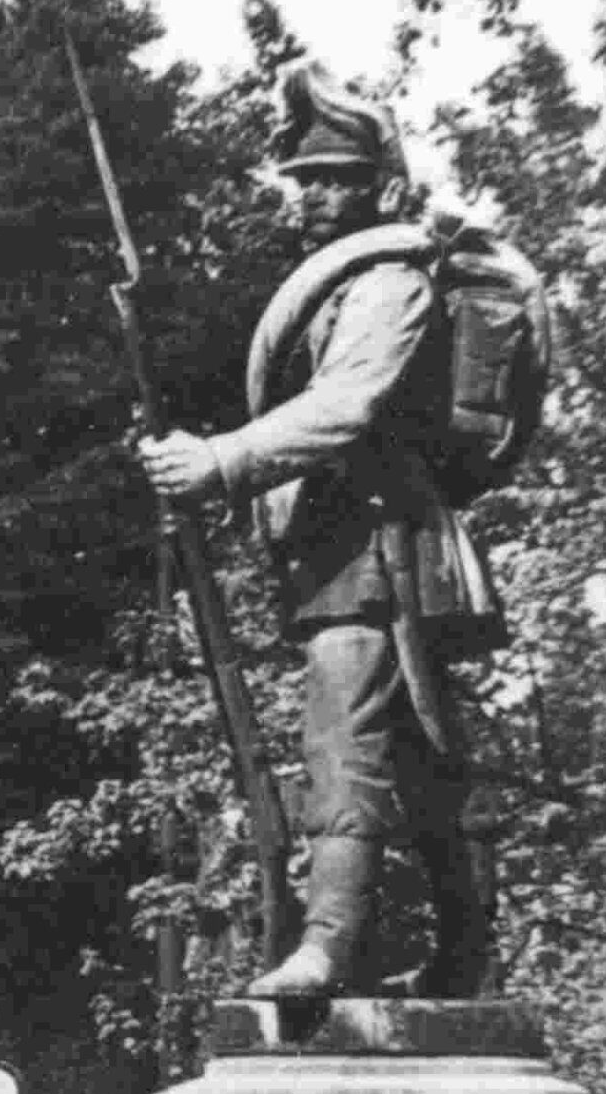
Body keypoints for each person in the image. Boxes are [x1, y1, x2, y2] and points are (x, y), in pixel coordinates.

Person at [138, 63, 502, 1000]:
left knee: (341, 739)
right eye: (301, 180)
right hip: (346, 553)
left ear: (381, 184)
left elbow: (345, 407)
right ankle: (467, 956)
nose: (307, 196)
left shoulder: (391, 284)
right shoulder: (345, 283)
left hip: (380, 552)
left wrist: (220, 461)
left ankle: (328, 949)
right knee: (421, 763)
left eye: (331, 178)